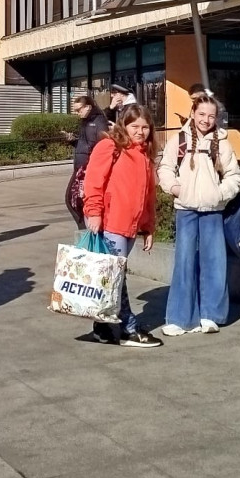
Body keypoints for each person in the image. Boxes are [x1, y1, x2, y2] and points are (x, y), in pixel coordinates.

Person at [156, 92, 240, 336]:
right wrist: (175, 188)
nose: (206, 119)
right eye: (202, 114)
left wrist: (220, 194)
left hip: (213, 211)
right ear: (193, 113)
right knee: (184, 263)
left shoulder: (222, 143)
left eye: (211, 116)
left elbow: (234, 175)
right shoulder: (179, 139)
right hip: (185, 210)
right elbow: (165, 168)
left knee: (214, 262)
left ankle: (211, 315)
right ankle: (180, 318)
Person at [82, 104, 162, 348]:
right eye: (134, 126)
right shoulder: (110, 146)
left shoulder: (144, 154)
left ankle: (102, 326)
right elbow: (93, 181)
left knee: (111, 276)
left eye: (145, 127)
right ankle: (129, 328)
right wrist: (94, 212)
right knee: (117, 277)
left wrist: (148, 227)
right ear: (124, 125)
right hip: (111, 223)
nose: (140, 132)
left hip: (130, 226)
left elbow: (148, 196)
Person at [64, 94, 108, 230]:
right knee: (74, 200)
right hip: (81, 166)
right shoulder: (86, 121)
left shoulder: (98, 121)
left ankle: (85, 229)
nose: (77, 113)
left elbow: (101, 145)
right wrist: (74, 141)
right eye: (75, 110)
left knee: (73, 199)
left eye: (79, 110)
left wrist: (91, 166)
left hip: (87, 167)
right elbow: (86, 143)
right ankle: (85, 228)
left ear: (88, 107)